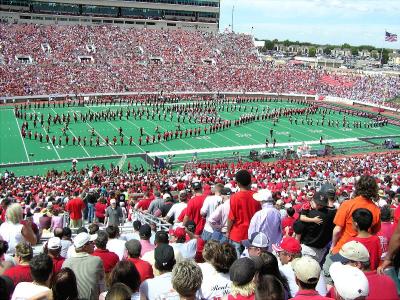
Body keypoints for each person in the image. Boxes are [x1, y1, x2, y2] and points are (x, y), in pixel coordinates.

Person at [329, 241, 398, 300]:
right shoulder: (388, 280)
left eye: (343, 263)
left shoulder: (340, 288)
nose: (341, 265)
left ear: (357, 264)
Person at [331, 175, 381, 255]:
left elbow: (337, 230)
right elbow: (374, 233)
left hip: (343, 249)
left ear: (358, 187)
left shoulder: (347, 204)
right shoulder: (376, 209)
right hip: (362, 251)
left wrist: (333, 245)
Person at [293, 192, 336, 264]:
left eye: (321, 204)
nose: (319, 206)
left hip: (308, 250)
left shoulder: (309, 214)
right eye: (318, 204)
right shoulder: (333, 213)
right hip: (322, 250)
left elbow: (298, 228)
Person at [62, 232, 105, 300]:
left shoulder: (66, 263)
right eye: (91, 242)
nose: (94, 245)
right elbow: (102, 285)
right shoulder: (97, 260)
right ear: (85, 247)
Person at [227, 170, 261, 256]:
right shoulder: (257, 195)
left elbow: (231, 218)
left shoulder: (234, 197)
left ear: (237, 183)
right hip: (254, 234)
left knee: (239, 264)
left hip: (237, 234)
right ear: (250, 181)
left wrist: (228, 231)